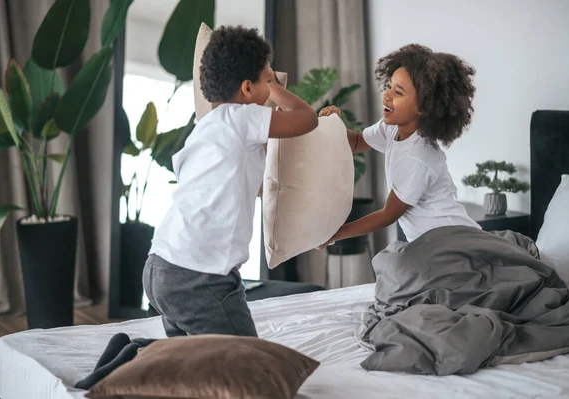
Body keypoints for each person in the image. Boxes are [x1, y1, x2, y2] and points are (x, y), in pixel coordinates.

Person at [143, 26, 318, 337]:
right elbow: (307, 118)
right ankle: (133, 355)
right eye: (266, 78)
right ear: (247, 89)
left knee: (196, 363)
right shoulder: (242, 117)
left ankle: (143, 361)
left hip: (161, 266)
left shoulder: (205, 128)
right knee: (243, 364)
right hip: (200, 276)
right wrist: (277, 89)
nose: (270, 84)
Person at [318, 44, 480, 249]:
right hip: (430, 245)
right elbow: (357, 142)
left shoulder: (418, 156)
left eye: (398, 92)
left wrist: (336, 234)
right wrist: (334, 125)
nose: (386, 95)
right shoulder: (392, 129)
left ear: (424, 106)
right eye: (389, 86)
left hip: (451, 243)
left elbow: (388, 214)